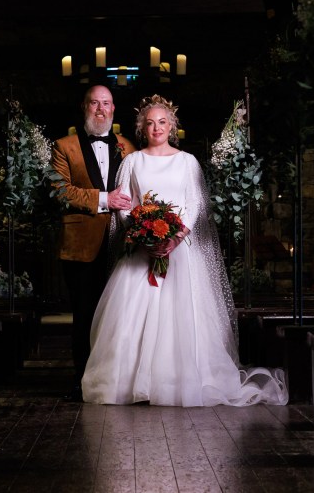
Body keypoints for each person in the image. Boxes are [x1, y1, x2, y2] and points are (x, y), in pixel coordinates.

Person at [82, 94, 288, 407]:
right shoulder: (132, 162)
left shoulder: (187, 161)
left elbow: (195, 203)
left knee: (185, 321)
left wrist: (175, 238)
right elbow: (124, 205)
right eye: (149, 123)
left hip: (181, 253)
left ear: (172, 126)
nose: (156, 128)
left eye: (162, 122)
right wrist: (143, 237)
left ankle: (179, 382)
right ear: (142, 128)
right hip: (142, 253)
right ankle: (129, 383)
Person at [51, 85, 136, 401]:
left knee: (120, 316)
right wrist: (105, 199)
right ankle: (83, 382)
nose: (100, 109)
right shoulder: (63, 147)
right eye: (94, 103)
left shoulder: (128, 146)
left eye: (106, 104)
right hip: (80, 247)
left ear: (113, 110)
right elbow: (60, 191)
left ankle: (116, 380)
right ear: (84, 107)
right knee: (85, 315)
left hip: (123, 244)